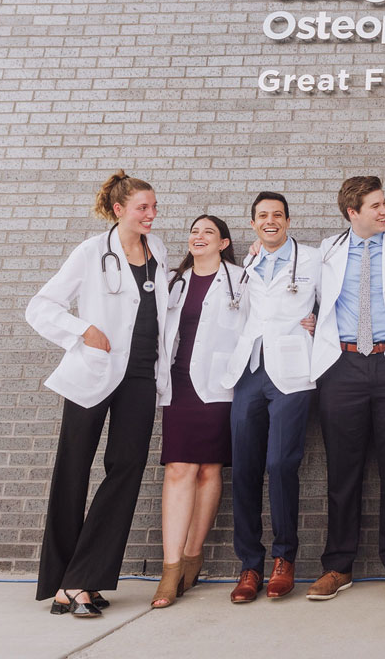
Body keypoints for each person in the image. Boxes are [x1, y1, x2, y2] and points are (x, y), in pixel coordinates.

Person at [26, 171, 171, 617]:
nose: (151, 214)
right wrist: (81, 330)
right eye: (142, 207)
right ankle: (64, 582)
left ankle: (81, 579)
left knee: (125, 471)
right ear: (119, 210)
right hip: (94, 372)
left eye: (153, 206)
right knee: (73, 470)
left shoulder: (159, 250)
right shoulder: (91, 252)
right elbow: (41, 306)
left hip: (141, 377)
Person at [306, 176, 385, 603]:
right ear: (352, 212)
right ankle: (338, 567)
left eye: (384, 203)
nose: (384, 211)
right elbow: (298, 281)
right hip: (342, 366)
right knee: (343, 471)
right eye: (375, 206)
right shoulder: (327, 250)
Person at [219, 192, 321, 603]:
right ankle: (249, 565)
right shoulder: (247, 263)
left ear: (289, 221)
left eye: (277, 215)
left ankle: (284, 559)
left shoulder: (314, 259)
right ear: (253, 225)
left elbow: (340, 300)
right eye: (263, 216)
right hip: (249, 370)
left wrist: (320, 321)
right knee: (243, 466)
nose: (271, 221)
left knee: (281, 464)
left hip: (292, 371)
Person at [149, 214, 242, 608]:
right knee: (179, 468)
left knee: (209, 469)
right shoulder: (171, 281)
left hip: (220, 384)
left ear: (223, 243)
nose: (198, 236)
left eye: (208, 232)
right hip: (179, 383)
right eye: (194, 231)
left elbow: (265, 321)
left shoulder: (243, 278)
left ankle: (193, 554)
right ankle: (171, 570)